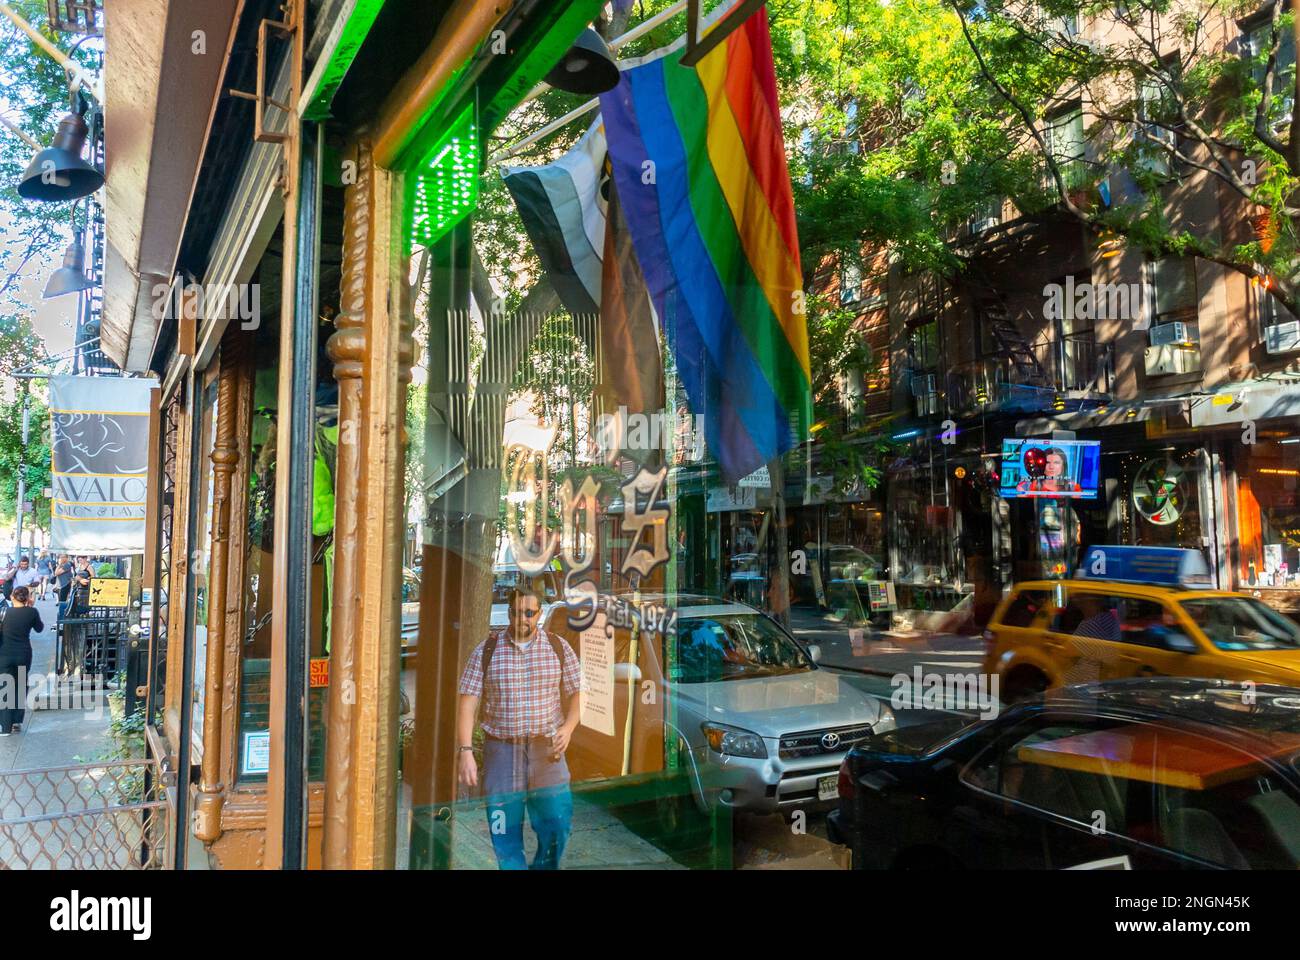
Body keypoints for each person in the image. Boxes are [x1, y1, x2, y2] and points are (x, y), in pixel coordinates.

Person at [456, 585, 581, 870]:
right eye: (516, 612)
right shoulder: (486, 651)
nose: (521, 619)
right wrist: (465, 752)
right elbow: (467, 703)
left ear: (540, 613)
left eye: (529, 613)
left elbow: (577, 692)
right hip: (501, 753)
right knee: (504, 835)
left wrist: (569, 727)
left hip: (547, 752)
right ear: (508, 612)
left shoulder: (558, 647)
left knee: (558, 823)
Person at [0, 586, 43, 735]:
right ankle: (17, 721)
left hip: (4, 654)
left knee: (5, 689)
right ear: (27, 598)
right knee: (20, 687)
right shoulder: (32, 612)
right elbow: (39, 628)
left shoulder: (4, 612)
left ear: (12, 596)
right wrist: (31, 607)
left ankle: (5, 727)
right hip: (24, 654)